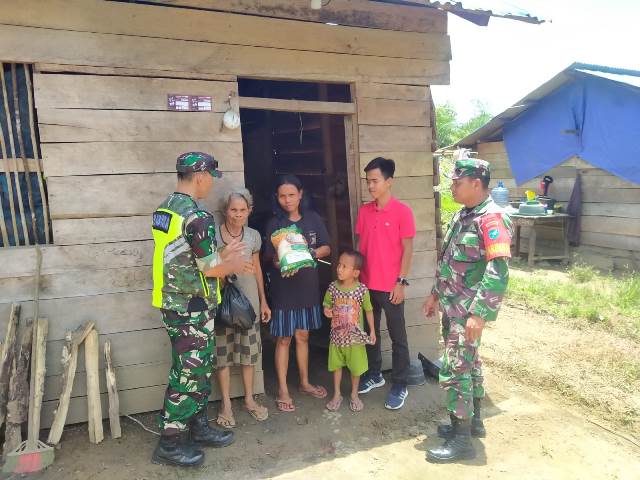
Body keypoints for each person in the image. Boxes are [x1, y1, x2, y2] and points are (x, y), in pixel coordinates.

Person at [150, 152, 254, 467]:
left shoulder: (165, 208)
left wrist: (220, 252)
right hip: (190, 306)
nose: (211, 183)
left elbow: (182, 255)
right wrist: (234, 263)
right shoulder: (197, 215)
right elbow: (208, 268)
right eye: (211, 176)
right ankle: (169, 443)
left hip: (174, 301)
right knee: (188, 373)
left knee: (198, 369)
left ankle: (197, 427)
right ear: (199, 176)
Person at [423, 158, 512, 463]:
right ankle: (473, 422)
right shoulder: (464, 215)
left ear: (476, 183)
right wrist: (435, 294)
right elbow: (449, 260)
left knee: (456, 367)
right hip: (453, 306)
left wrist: (479, 314)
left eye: (457, 182)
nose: (452, 186)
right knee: (469, 364)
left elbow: (498, 271)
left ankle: (462, 441)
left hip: (467, 312)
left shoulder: (492, 219)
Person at [263, 175, 331, 412]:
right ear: (277, 198)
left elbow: (326, 247)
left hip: (307, 289)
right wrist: (279, 261)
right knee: (284, 339)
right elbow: (269, 259)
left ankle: (304, 382)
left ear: (301, 194)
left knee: (303, 336)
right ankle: (283, 388)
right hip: (285, 291)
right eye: (282, 195)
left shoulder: (313, 219)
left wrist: (307, 254)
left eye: (291, 194)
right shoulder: (274, 224)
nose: (287, 200)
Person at [356, 157, 415, 410]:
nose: (370, 186)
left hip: (391, 285)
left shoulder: (403, 212)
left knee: (398, 336)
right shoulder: (364, 212)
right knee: (370, 333)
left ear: (389, 181)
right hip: (366, 285)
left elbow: (408, 249)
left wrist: (400, 282)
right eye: (368, 181)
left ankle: (400, 383)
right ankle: (374, 374)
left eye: (375, 180)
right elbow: (361, 247)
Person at [214, 189, 271, 428]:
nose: (238, 215)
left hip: (248, 303)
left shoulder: (253, 236)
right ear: (225, 211)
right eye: (233, 210)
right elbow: (210, 267)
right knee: (223, 357)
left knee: (248, 357)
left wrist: (263, 300)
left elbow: (257, 269)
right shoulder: (214, 235)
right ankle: (226, 403)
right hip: (222, 304)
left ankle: (249, 399)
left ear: (250, 211)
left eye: (243, 210)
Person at [323, 251, 376, 412]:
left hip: (355, 339)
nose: (339, 268)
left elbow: (369, 310)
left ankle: (354, 394)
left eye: (344, 266)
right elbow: (326, 304)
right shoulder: (332, 287)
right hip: (337, 337)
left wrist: (372, 331)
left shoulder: (362, 290)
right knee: (336, 366)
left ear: (355, 273)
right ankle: (337, 394)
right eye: (339, 264)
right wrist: (327, 310)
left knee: (356, 368)